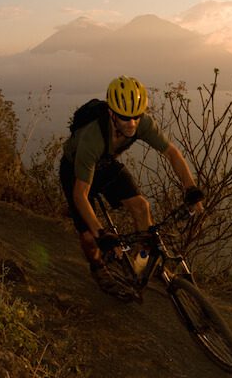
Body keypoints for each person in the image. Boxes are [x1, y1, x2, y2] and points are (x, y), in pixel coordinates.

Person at [59, 76, 203, 300]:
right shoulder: (92, 138)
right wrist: (100, 233)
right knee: (89, 237)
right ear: (111, 113)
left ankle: (142, 262)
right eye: (125, 117)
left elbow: (172, 153)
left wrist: (190, 188)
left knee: (141, 206)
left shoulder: (142, 123)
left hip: (105, 164)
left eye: (136, 116)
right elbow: (80, 194)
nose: (132, 123)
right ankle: (98, 268)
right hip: (74, 170)